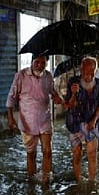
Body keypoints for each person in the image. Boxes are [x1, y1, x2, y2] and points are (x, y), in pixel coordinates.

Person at [6, 55, 63, 184]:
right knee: (31, 153)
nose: (40, 65)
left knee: (47, 151)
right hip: (28, 121)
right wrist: (10, 118)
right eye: (37, 62)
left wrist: (58, 98)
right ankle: (31, 180)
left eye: (43, 62)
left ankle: (46, 180)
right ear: (32, 62)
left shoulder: (48, 76)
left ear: (47, 63)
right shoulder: (21, 76)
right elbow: (11, 97)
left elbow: (53, 92)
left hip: (44, 118)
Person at [63, 57, 99, 184]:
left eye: (91, 73)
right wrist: (74, 94)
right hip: (74, 123)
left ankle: (92, 182)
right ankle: (79, 181)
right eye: (85, 72)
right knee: (77, 154)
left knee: (92, 154)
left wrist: (94, 121)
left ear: (95, 71)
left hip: (91, 122)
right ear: (81, 71)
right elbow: (70, 106)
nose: (87, 76)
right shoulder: (73, 82)